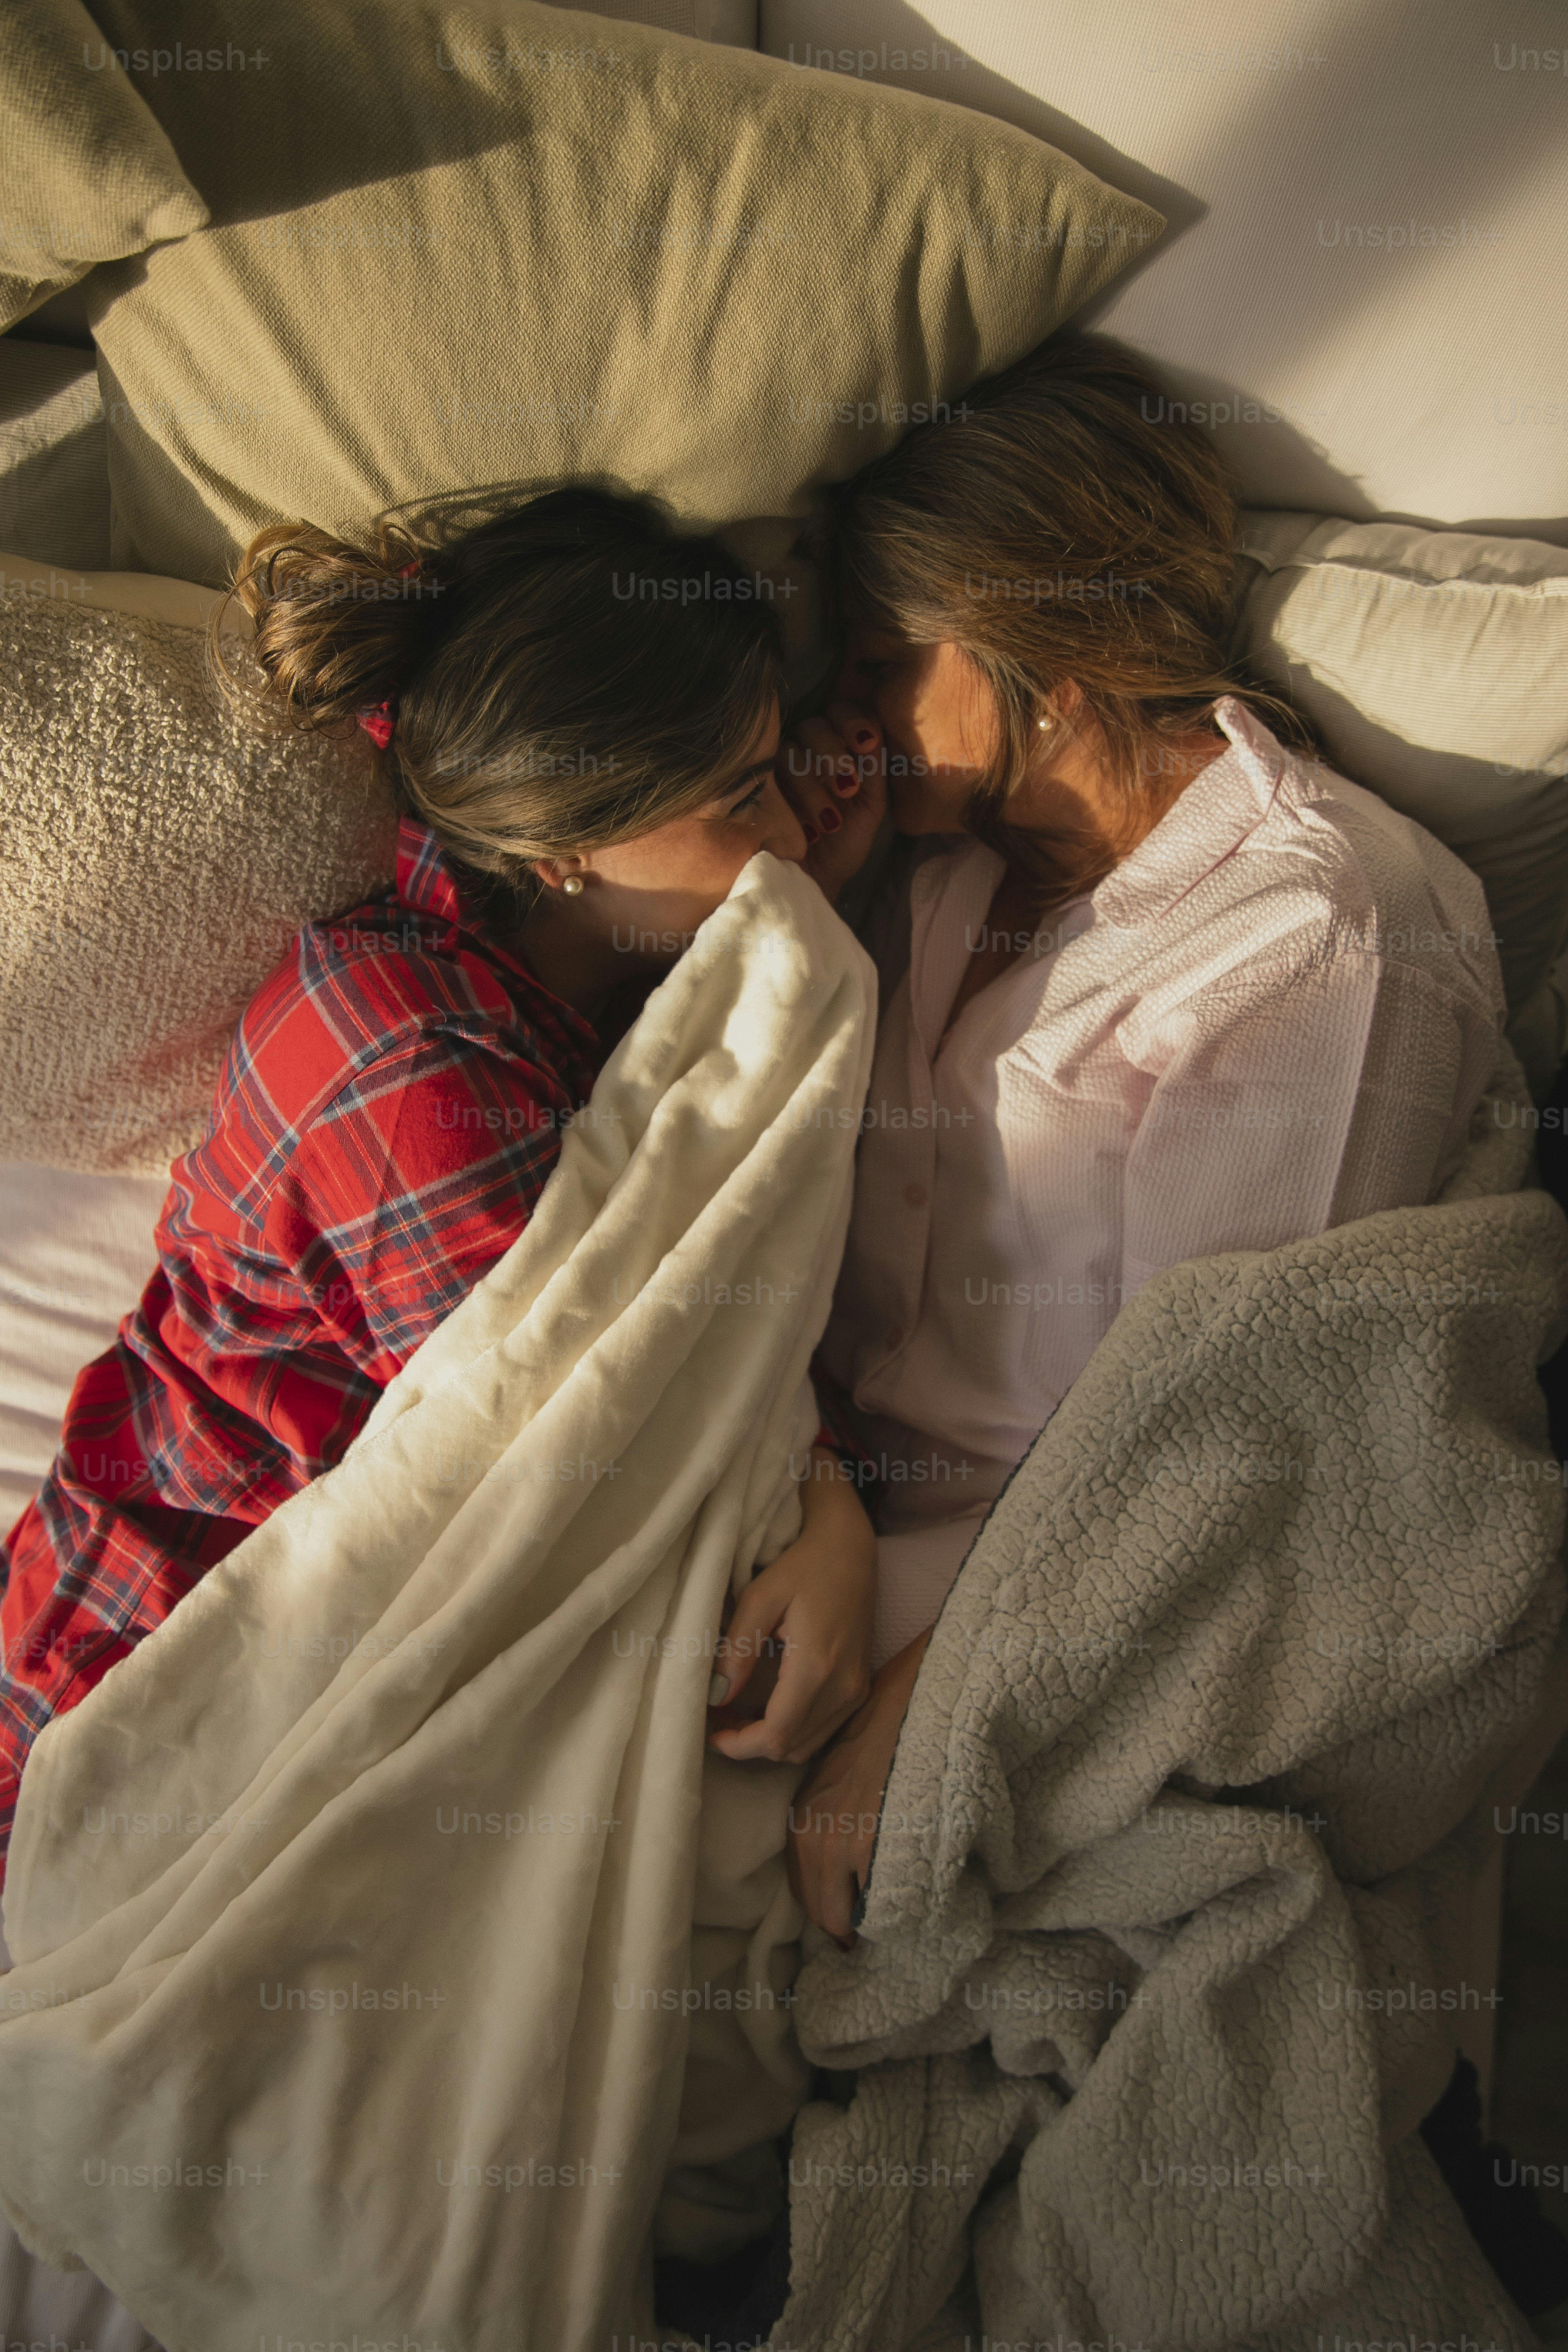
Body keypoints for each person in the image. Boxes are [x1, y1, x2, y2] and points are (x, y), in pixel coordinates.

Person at [0, 487, 877, 1871]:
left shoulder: (553, 988)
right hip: (130, 1687)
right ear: (566, 841)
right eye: (739, 796)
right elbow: (591, 1449)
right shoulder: (402, 1056)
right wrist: (833, 1505)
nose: (791, 829)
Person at [775, 332, 1507, 1944]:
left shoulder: (1316, 925)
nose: (851, 699)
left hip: (1026, 1582)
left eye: (891, 653)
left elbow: (1207, 1431)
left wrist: (920, 1704)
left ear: (1046, 640)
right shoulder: (943, 869)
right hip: (826, 1500)